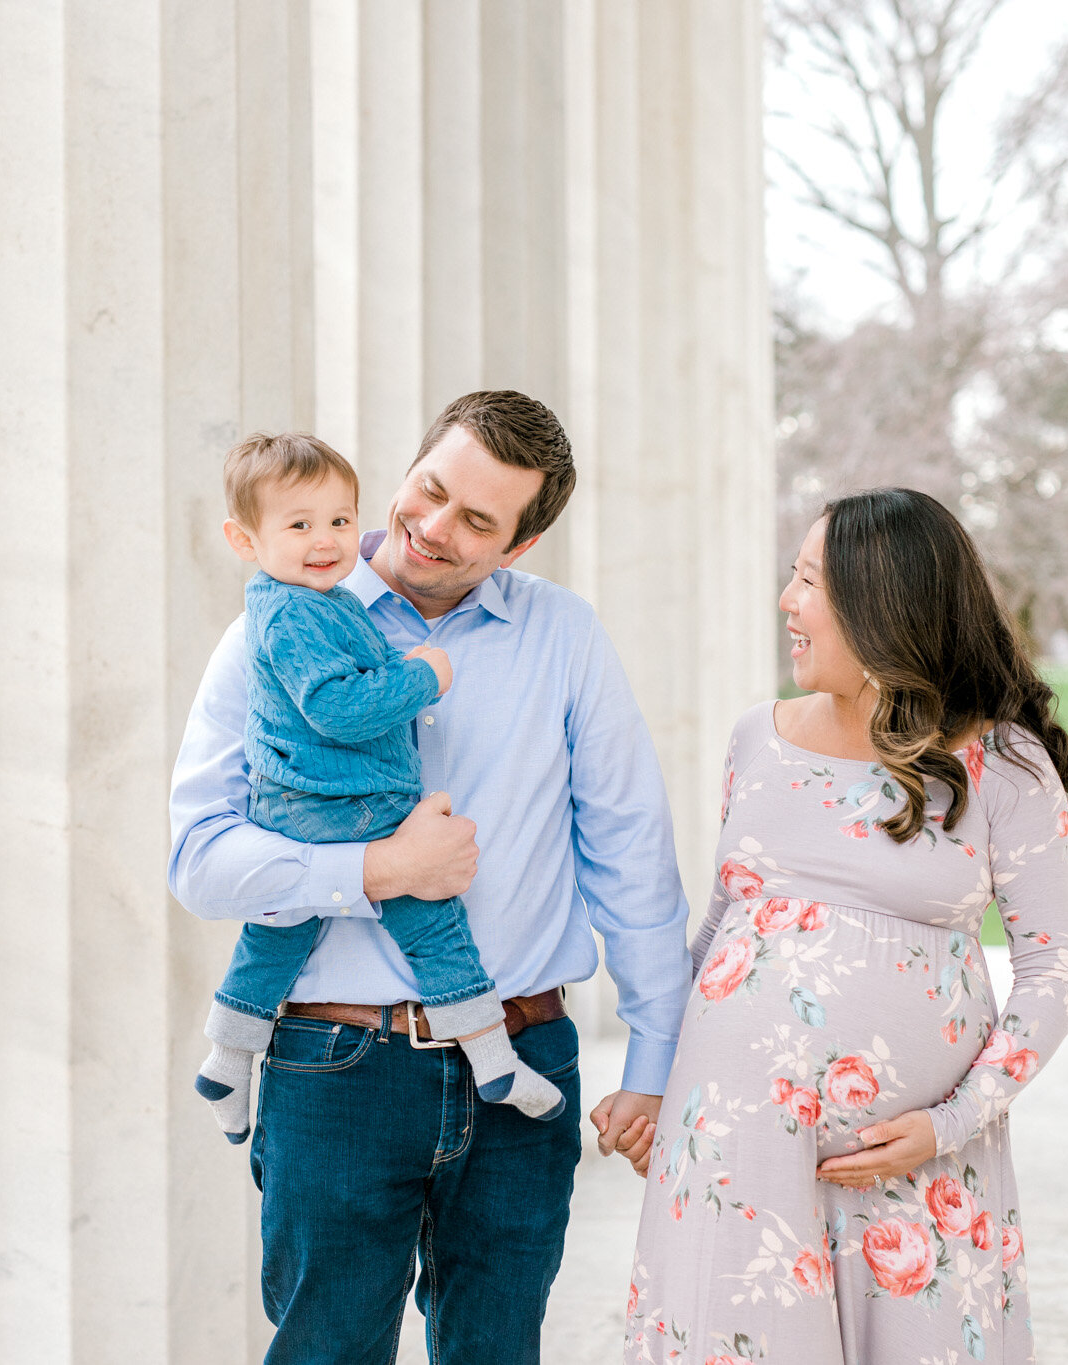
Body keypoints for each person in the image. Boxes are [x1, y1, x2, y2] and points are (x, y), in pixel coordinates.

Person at [169, 390, 690, 1361]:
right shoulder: (271, 632)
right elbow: (198, 860)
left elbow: (630, 857)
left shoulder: (564, 639)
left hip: (522, 1065)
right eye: (429, 489)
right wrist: (372, 869)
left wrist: (657, 1062)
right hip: (336, 1073)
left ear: (519, 546)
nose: (432, 527)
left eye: (476, 521)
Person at [623, 488, 1068, 1364]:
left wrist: (951, 1122)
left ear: (883, 609)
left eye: (808, 582)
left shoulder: (1006, 765)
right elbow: (728, 922)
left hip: (914, 1168)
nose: (786, 602)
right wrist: (652, 1078)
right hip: (734, 1153)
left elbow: (1054, 973)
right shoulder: (756, 739)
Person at [193, 430, 565, 1143]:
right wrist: (422, 673)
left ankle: (228, 1054)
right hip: (344, 804)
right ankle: (494, 1059)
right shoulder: (292, 612)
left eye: (338, 518)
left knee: (278, 935)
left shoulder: (312, 598)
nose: (328, 539)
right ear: (244, 539)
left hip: (313, 801)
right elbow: (336, 707)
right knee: (433, 920)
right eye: (298, 525)